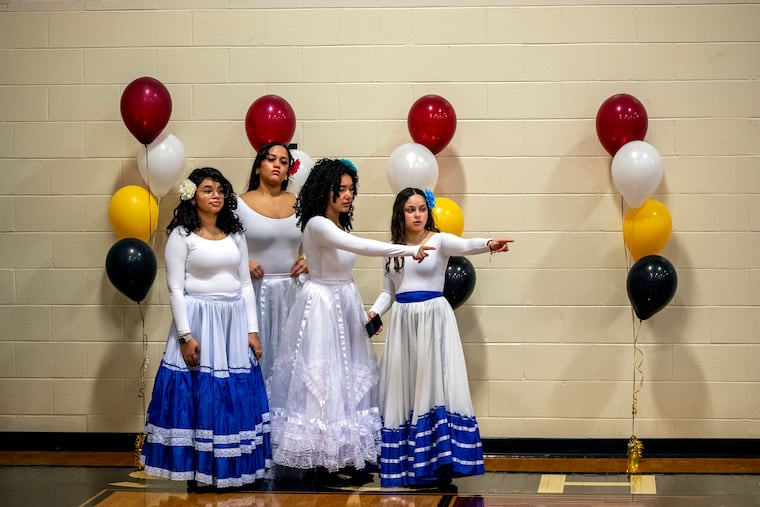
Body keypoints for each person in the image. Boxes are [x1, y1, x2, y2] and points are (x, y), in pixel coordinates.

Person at [268, 159, 434, 484]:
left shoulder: (339, 224)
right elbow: (361, 246)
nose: (347, 195)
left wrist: (365, 316)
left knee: (347, 380)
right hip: (321, 305)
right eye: (340, 189)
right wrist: (406, 249)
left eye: (350, 189)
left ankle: (344, 454)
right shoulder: (317, 223)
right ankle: (319, 458)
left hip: (345, 299)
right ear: (324, 190)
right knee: (324, 380)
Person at [367, 187, 513, 489]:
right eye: (411, 210)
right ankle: (409, 466)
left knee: (434, 384)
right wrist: (374, 312)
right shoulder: (392, 250)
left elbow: (466, 244)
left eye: (421, 209)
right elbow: (388, 292)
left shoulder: (439, 239)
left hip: (434, 318)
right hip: (405, 322)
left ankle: (438, 463)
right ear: (400, 213)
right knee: (406, 386)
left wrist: (489, 244)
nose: (417, 214)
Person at [141, 167, 271, 490]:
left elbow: (244, 284)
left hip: (233, 321)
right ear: (193, 196)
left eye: (220, 190)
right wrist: (185, 336)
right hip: (198, 321)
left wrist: (252, 330)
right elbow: (175, 289)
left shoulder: (235, 234)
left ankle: (231, 470)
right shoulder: (181, 236)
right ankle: (200, 473)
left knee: (231, 395)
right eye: (208, 190)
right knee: (200, 397)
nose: (216, 195)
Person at [238, 142, 307, 389]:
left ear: (289, 170)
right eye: (271, 159)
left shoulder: (301, 203)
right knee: (257, 357)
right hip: (255, 292)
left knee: (292, 358)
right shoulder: (238, 204)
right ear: (259, 166)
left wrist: (308, 260)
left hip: (292, 292)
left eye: (284, 161)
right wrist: (241, 262)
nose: (277, 164)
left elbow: (316, 239)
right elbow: (220, 244)